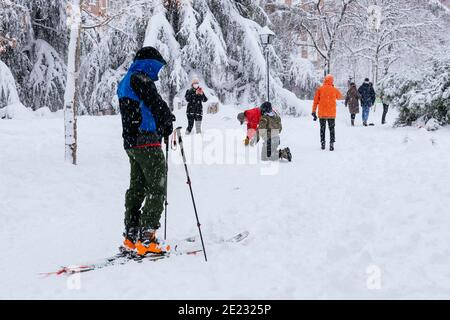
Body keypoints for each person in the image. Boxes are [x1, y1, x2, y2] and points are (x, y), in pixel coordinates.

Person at [117, 46, 175, 256]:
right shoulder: (140, 79)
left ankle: (131, 234)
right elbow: (155, 104)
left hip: (132, 143)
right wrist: (167, 120)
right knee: (157, 185)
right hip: (147, 141)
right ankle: (147, 237)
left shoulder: (126, 81)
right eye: (157, 68)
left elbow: (143, 107)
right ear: (148, 64)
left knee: (137, 187)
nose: (157, 73)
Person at [312, 74, 343, 151]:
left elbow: (315, 101)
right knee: (331, 129)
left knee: (322, 129)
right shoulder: (334, 89)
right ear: (332, 81)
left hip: (322, 113)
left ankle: (323, 143)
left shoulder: (320, 89)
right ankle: (331, 144)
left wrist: (313, 111)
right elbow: (340, 96)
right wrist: (333, 88)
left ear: (325, 80)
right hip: (331, 113)